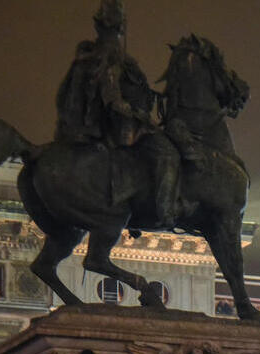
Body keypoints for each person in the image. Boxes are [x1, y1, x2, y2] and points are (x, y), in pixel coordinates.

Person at [54, 0, 179, 226]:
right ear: (116, 27)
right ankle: (164, 212)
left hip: (120, 121)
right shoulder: (110, 57)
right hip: (125, 126)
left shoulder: (104, 56)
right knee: (167, 154)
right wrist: (123, 107)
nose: (119, 30)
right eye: (117, 24)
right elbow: (109, 86)